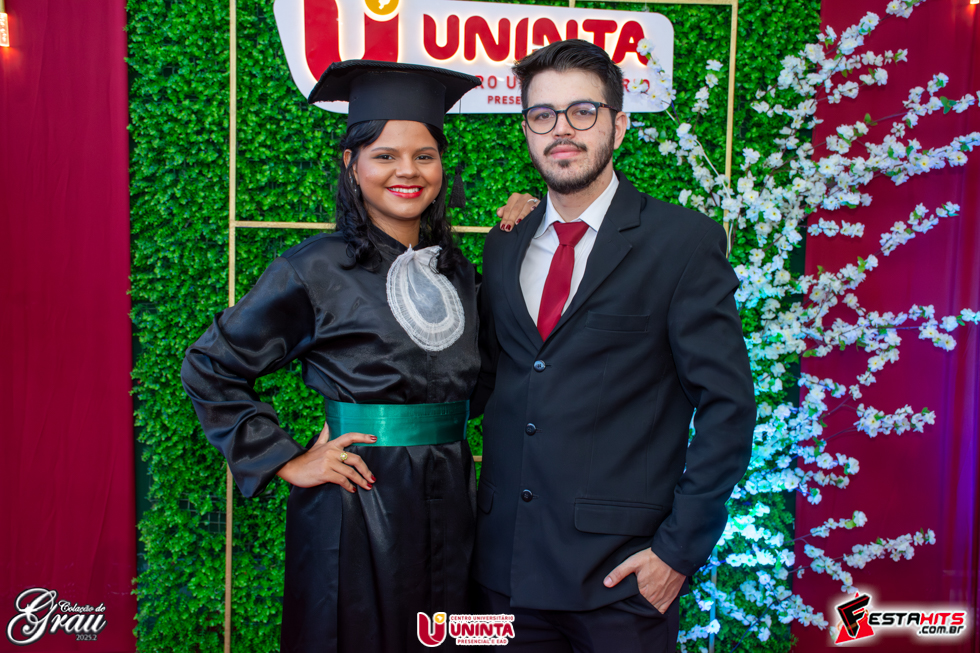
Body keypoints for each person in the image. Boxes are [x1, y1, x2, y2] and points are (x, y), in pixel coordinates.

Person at [180, 60, 484, 653]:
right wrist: (286, 458)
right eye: (385, 155)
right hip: (357, 503)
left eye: (424, 156)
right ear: (351, 163)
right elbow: (211, 365)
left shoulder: (458, 272)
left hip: (452, 498)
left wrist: (524, 225)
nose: (407, 171)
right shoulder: (314, 268)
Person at [470, 40, 756, 652]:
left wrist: (677, 553)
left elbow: (729, 406)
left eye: (583, 111)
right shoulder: (505, 242)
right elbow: (489, 379)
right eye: (542, 114)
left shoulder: (683, 243)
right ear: (526, 130)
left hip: (621, 582)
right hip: (502, 575)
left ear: (618, 126)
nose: (561, 129)